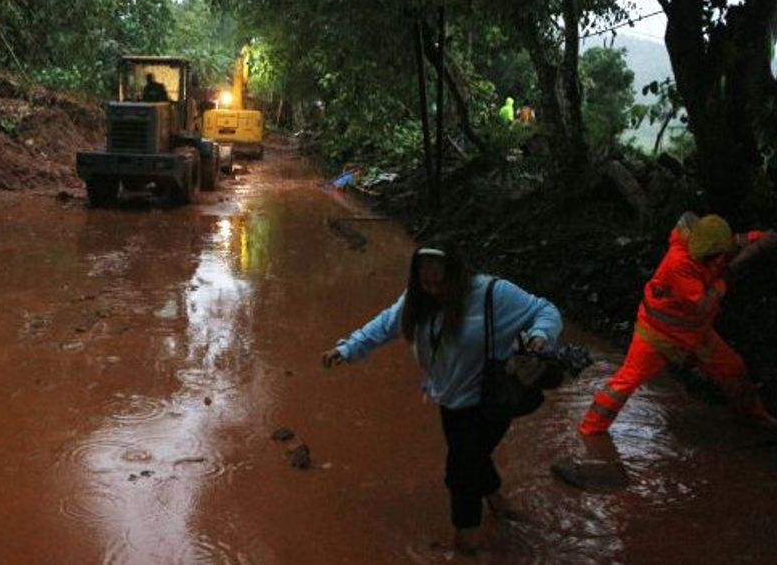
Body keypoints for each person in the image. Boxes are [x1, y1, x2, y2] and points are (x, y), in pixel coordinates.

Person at [322, 243, 562, 556]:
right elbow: (384, 326)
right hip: (450, 398)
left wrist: (540, 335)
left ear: (457, 275)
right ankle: (498, 502)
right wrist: (346, 349)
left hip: (491, 399)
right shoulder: (418, 300)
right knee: (471, 455)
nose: (433, 290)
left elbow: (546, 310)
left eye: (440, 283)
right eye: (426, 283)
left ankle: (467, 544)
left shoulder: (492, 293)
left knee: (460, 472)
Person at [579, 212, 777, 436]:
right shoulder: (678, 264)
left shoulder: (714, 240)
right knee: (626, 381)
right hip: (657, 335)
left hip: (695, 332)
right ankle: (590, 430)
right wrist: (728, 275)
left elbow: (741, 240)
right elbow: (702, 303)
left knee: (733, 368)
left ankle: (752, 417)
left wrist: (762, 239)